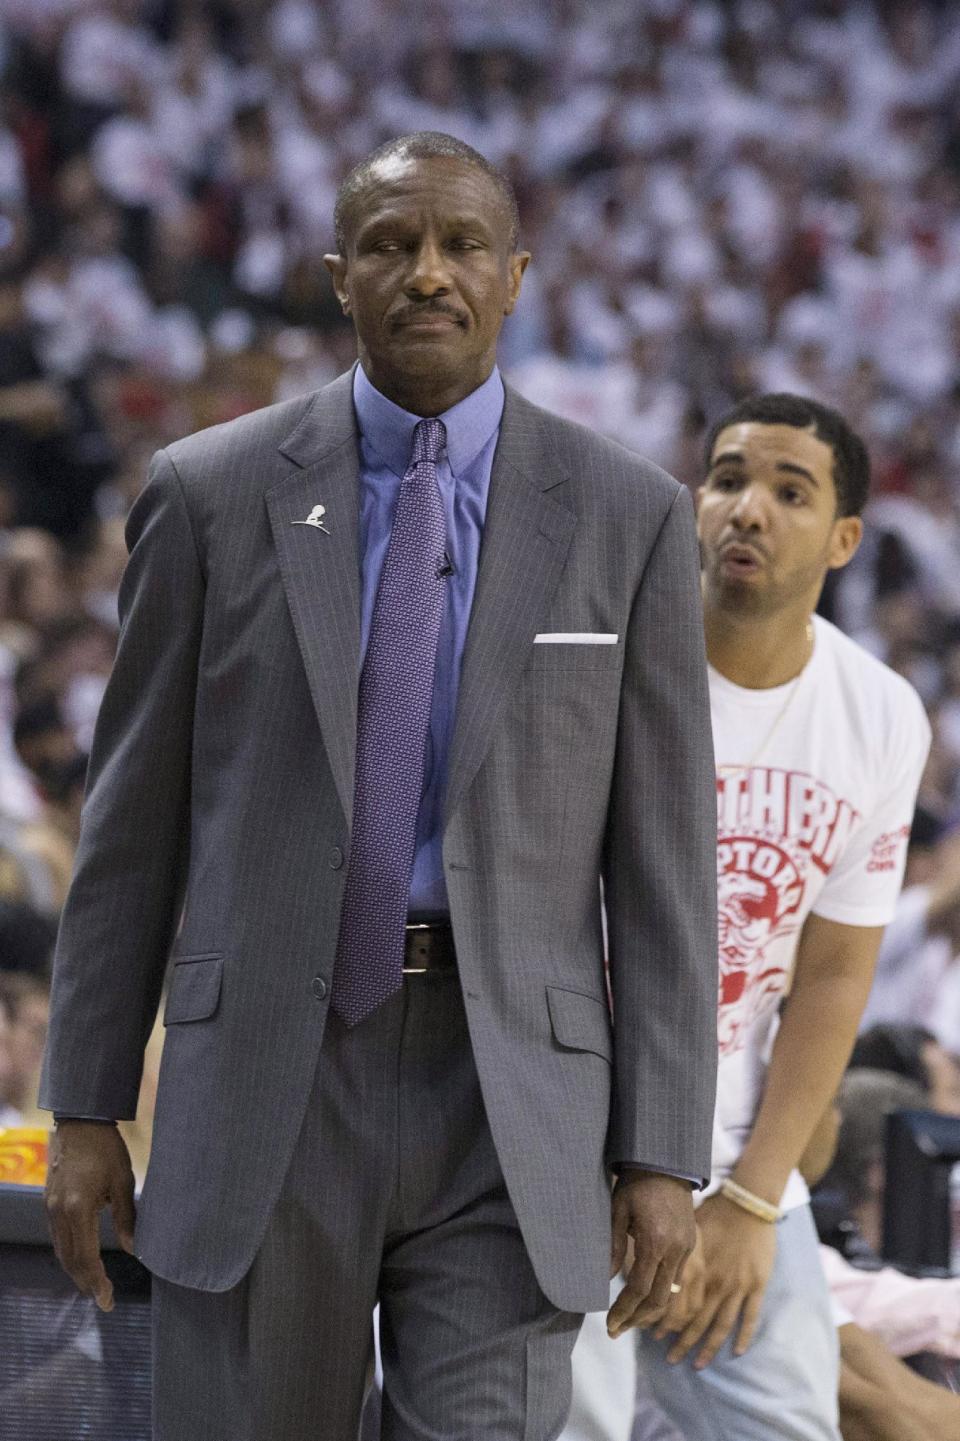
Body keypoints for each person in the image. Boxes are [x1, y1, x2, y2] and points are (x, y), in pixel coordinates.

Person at [39, 132, 719, 1441]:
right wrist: (85, 1106)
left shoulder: (630, 515)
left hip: (509, 1095)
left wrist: (661, 1149)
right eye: (391, 245)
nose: (428, 274)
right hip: (265, 1084)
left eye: (462, 244)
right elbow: (129, 835)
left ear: (515, 277)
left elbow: (665, 867)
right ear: (335, 274)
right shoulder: (208, 492)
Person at [563, 394, 931, 1441]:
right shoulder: (603, 658)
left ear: (845, 538)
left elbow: (830, 977)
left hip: (735, 1167)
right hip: (559, 1147)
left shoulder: (879, 714)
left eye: (789, 490)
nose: (748, 509)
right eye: (727, 480)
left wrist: (756, 1200)